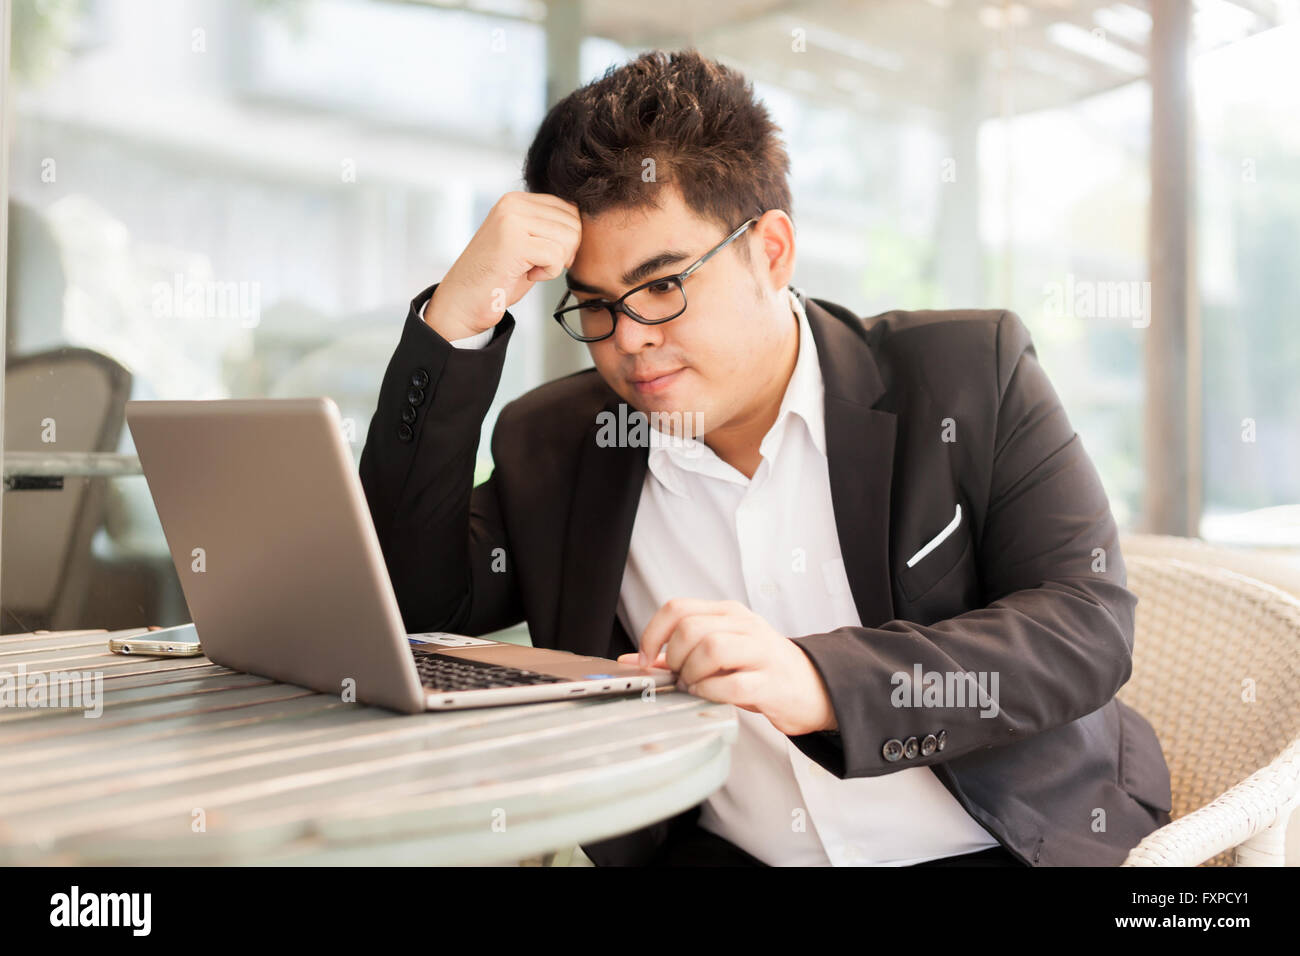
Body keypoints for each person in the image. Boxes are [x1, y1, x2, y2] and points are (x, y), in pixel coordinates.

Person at [358, 48, 1172, 867]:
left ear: (772, 252)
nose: (631, 340)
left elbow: (1085, 624)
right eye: (597, 306)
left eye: (664, 284)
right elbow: (414, 599)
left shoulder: (964, 375)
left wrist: (824, 682)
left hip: (999, 844)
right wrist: (457, 317)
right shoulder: (565, 441)